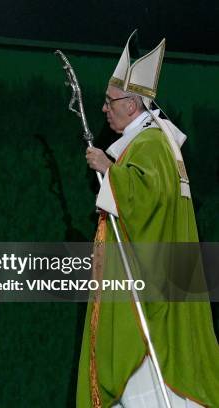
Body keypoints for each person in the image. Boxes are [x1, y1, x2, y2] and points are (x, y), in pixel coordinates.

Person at [76, 31, 219, 408]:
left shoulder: (151, 144)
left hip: (149, 292)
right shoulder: (154, 143)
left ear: (134, 105)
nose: (104, 109)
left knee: (144, 383)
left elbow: (148, 199)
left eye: (110, 102)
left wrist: (109, 169)